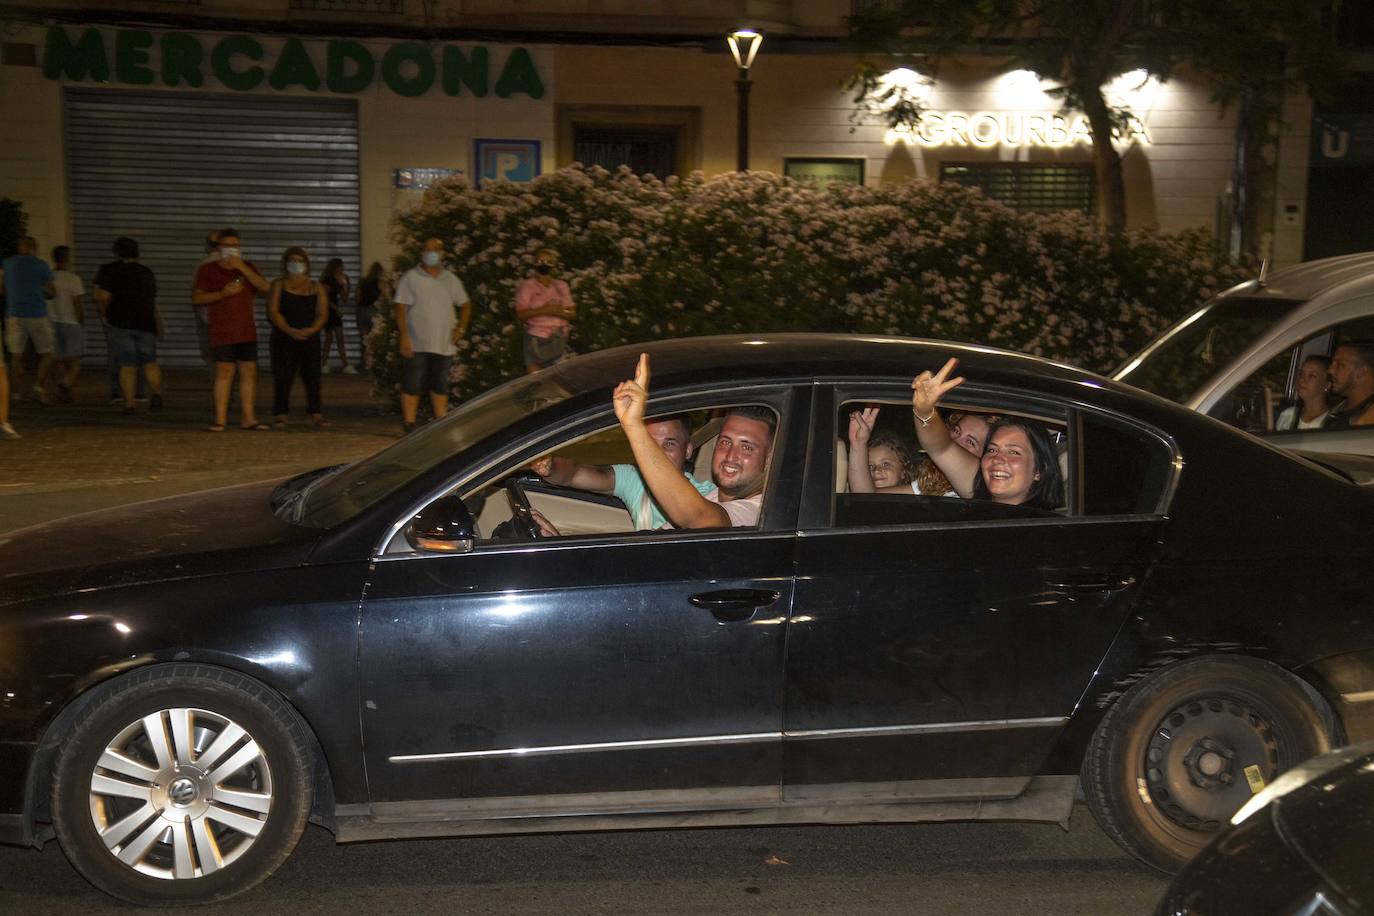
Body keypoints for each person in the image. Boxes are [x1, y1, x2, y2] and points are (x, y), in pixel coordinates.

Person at [613, 353, 773, 529]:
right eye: (726, 442)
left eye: (746, 447)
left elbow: (698, 518)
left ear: (768, 459)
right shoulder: (710, 496)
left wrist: (634, 425)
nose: (730, 455)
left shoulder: (759, 511)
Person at [911, 357, 1064, 510]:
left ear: (1039, 470)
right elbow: (941, 448)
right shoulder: (979, 491)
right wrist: (924, 410)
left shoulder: (1049, 526)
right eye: (992, 450)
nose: (997, 459)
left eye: (1014, 452)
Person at [530, 412, 716, 531]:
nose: (656, 455)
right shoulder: (636, 481)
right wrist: (549, 466)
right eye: (649, 445)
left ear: (688, 449)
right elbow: (574, 474)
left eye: (669, 444)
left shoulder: (707, 497)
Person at [194, 228, 271, 431]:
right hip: (222, 329)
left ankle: (249, 418)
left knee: (249, 371)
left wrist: (242, 268)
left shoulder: (247, 267)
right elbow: (197, 298)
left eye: (235, 245)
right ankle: (220, 419)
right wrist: (221, 293)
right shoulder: (208, 270)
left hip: (246, 329)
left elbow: (265, 288)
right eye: (227, 246)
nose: (232, 249)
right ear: (218, 248)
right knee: (224, 371)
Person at [393, 237, 470, 434]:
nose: (431, 253)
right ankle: (409, 424)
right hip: (417, 342)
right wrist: (404, 336)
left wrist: (460, 329)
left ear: (442, 253)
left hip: (443, 343)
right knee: (412, 383)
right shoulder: (411, 277)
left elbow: (465, 304)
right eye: (427, 249)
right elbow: (400, 308)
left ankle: (441, 422)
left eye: (435, 249)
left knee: (440, 384)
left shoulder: (450, 279)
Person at [848, 407, 991, 496]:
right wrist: (858, 444)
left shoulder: (979, 489)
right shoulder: (935, 486)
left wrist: (924, 409)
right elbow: (867, 498)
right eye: (956, 431)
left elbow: (941, 446)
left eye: (970, 441)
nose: (955, 440)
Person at [93, 237, 164, 414]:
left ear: (117, 253)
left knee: (127, 364)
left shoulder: (112, 272)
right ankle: (156, 394)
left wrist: (104, 316)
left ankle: (130, 403)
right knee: (150, 362)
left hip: (121, 323)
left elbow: (102, 297)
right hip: (146, 323)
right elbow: (152, 300)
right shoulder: (147, 272)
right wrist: (158, 322)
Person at [267, 247, 329, 428]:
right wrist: (288, 329)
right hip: (284, 337)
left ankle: (316, 413)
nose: (296, 264)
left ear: (306, 264)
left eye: (300, 260)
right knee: (283, 376)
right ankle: (281, 413)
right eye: (292, 260)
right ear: (285, 264)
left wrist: (311, 330)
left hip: (310, 338)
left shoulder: (315, 286)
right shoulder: (279, 284)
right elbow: (273, 311)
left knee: (312, 377)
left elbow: (322, 313)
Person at [0, 236, 56, 404]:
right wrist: (40, 293)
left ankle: (17, 391)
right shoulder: (41, 265)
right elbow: (52, 291)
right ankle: (39, 387)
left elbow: (2, 289)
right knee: (47, 354)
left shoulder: (7, 264)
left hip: (14, 314)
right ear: (34, 248)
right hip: (37, 313)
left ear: (19, 247)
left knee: (16, 356)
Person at [514, 248, 575, 374]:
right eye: (541, 261)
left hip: (558, 337)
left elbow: (571, 312)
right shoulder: (527, 286)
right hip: (536, 337)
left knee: (560, 377)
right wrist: (544, 310)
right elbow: (521, 313)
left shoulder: (561, 286)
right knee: (536, 379)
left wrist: (557, 311)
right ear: (535, 263)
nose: (544, 264)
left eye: (548, 261)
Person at [49, 245, 85, 402]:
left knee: (57, 358)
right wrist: (81, 319)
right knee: (75, 359)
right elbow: (77, 302)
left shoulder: (48, 277)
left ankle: (61, 386)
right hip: (70, 321)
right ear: (67, 259)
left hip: (52, 320)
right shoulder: (73, 278)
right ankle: (66, 383)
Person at [1275, 354, 1332, 430]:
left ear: (1327, 385)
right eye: (1301, 374)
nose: (1302, 379)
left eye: (1311, 375)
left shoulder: (1332, 423)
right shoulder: (1288, 415)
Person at [1326, 340, 1374, 428]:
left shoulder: (1369, 418)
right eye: (1333, 364)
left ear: (1361, 372)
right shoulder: (1337, 410)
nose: (1330, 370)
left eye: (1340, 365)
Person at [319, 258, 355, 374]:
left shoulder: (338, 280)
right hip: (327, 311)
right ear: (335, 267)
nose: (342, 268)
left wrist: (347, 284)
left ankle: (346, 365)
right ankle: (323, 364)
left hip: (335, 311)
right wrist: (336, 309)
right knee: (329, 338)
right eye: (341, 266)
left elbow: (344, 298)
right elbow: (325, 298)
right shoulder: (327, 280)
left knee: (340, 338)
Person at [355, 261, 384, 371]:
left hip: (362, 310)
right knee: (373, 340)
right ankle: (372, 364)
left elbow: (357, 297)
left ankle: (364, 364)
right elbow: (383, 297)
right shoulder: (380, 282)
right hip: (373, 311)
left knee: (364, 340)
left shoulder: (362, 281)